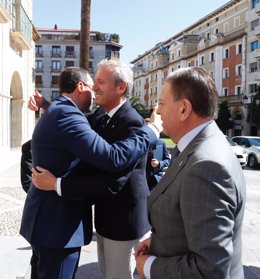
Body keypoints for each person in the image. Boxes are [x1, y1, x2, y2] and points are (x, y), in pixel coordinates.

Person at [20, 67, 159, 279]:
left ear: (121, 87)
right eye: (94, 82)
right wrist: (152, 131)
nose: (95, 88)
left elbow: (115, 169)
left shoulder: (128, 120)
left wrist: (151, 130)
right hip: (58, 226)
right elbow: (108, 155)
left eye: (101, 82)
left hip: (121, 219)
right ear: (81, 87)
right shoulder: (76, 114)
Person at [135, 67, 246, 279]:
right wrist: (160, 242)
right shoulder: (200, 146)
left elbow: (209, 269)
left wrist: (148, 267)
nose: (157, 111)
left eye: (162, 103)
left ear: (184, 108)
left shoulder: (205, 166)